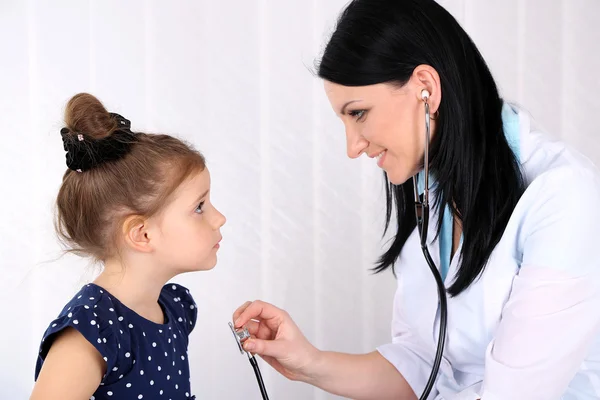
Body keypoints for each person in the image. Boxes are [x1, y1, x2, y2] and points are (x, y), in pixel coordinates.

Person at [232, 0, 600, 399]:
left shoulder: (564, 197)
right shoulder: (432, 194)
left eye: (358, 114)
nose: (352, 147)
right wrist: (309, 363)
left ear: (426, 87)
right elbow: (423, 365)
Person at [30, 93, 226, 400]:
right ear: (142, 234)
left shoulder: (174, 309)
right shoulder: (91, 335)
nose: (220, 218)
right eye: (199, 207)